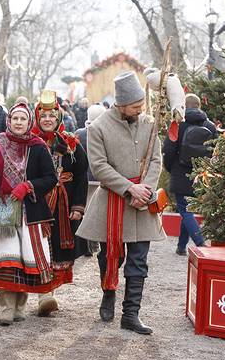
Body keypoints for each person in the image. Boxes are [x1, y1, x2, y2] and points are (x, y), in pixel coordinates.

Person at [76, 71, 163, 335]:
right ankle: (108, 293)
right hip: (112, 201)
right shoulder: (99, 127)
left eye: (141, 105)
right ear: (122, 104)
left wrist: (145, 189)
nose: (141, 110)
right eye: (136, 106)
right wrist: (129, 188)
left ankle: (131, 314)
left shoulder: (149, 123)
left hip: (142, 202)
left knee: (139, 259)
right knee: (110, 256)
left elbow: (156, 159)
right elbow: (99, 167)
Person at [0, 102, 58, 326]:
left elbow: (51, 178)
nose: (18, 122)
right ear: (9, 120)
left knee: (28, 257)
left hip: (32, 210)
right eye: (15, 118)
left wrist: (28, 186)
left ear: (29, 123)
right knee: (6, 258)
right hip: (4, 209)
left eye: (23, 119)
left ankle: (21, 306)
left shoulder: (38, 147)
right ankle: (6, 307)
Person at [31, 91, 88, 317]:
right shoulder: (30, 143)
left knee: (56, 245)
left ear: (58, 119)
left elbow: (82, 174)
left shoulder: (71, 143)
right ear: (37, 118)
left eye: (51, 117)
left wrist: (78, 206)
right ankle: (43, 294)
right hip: (37, 202)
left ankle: (49, 291)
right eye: (43, 116)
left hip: (63, 204)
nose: (47, 120)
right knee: (38, 245)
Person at [162, 93, 215, 255]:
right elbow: (215, 149)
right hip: (201, 174)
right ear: (199, 106)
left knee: (185, 210)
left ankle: (199, 242)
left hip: (180, 171)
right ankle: (181, 246)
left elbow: (169, 150)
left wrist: (171, 168)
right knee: (188, 209)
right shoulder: (210, 126)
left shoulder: (178, 124)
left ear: (184, 107)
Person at [73, 104, 107, 257]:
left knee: (84, 212)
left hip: (84, 178)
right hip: (100, 179)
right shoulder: (106, 132)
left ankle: (85, 245)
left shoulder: (79, 134)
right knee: (97, 213)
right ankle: (94, 243)